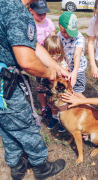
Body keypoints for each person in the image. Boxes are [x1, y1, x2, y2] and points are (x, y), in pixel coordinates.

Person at [0, 0, 69, 179]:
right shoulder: (15, 10)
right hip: (5, 83)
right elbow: (27, 61)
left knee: (6, 125)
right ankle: (41, 166)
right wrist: (49, 73)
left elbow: (33, 45)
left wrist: (58, 67)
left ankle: (16, 165)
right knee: (24, 124)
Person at [29, 0, 56, 119]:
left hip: (49, 59)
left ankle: (52, 104)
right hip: (38, 60)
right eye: (39, 13)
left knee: (50, 82)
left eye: (44, 13)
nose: (42, 16)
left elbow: (54, 38)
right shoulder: (30, 25)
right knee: (40, 85)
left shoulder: (49, 22)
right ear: (31, 11)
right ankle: (44, 107)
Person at [57, 11, 87, 99]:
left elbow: (77, 54)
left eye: (70, 32)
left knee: (77, 93)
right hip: (66, 69)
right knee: (68, 91)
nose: (67, 35)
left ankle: (90, 109)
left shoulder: (79, 38)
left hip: (79, 70)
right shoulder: (59, 35)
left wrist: (75, 71)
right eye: (65, 32)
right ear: (59, 25)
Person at [43, 35, 68, 132]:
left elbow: (65, 75)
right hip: (51, 89)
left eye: (57, 55)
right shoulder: (45, 63)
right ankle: (55, 118)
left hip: (60, 90)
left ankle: (62, 120)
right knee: (51, 101)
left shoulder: (61, 62)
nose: (54, 58)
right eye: (51, 55)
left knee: (62, 104)